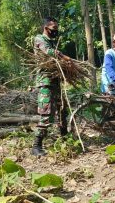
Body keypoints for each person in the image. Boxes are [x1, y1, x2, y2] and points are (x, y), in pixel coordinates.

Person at [32, 17, 72, 156]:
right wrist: (64, 57)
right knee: (46, 113)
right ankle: (36, 146)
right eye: (53, 29)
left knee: (62, 110)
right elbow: (49, 52)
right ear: (46, 28)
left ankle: (65, 138)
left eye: (56, 29)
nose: (55, 31)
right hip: (45, 83)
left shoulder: (53, 42)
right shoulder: (39, 39)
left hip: (55, 82)